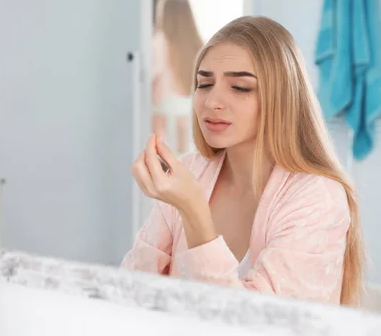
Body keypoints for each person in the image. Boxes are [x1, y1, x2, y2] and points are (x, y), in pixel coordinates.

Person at [122, 16, 365, 307]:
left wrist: (194, 211)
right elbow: (131, 289)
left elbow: (259, 327)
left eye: (239, 87)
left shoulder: (317, 199)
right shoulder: (189, 173)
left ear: (282, 97)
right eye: (204, 83)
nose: (212, 101)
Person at [151, 0, 203, 156]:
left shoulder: (159, 43)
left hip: (163, 121)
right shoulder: (199, 44)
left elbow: (151, 78)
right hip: (189, 119)